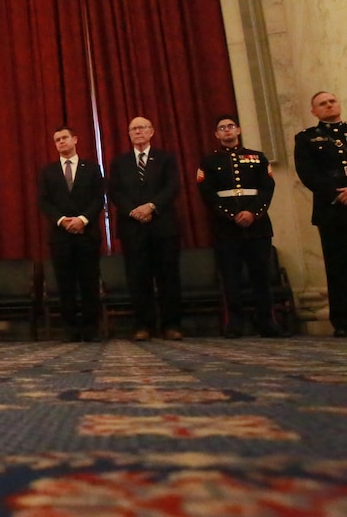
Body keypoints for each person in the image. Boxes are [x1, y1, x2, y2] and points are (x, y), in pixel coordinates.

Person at [196, 115, 285, 338]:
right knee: (230, 277)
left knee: (261, 275)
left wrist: (252, 213)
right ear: (216, 134)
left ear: (238, 130)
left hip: (257, 226)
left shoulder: (257, 157)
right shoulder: (209, 162)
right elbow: (208, 194)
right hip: (227, 227)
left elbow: (267, 188)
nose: (227, 131)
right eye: (221, 128)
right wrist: (232, 214)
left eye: (230, 127)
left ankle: (266, 321)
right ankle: (235, 323)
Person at [108, 117, 184, 341]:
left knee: (168, 277)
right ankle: (143, 325)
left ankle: (171, 325)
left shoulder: (165, 158)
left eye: (142, 128)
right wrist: (134, 210)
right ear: (129, 134)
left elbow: (172, 187)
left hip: (163, 226)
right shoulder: (119, 162)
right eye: (133, 129)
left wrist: (151, 206)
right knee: (137, 278)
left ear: (151, 132)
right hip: (133, 228)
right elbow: (115, 192)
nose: (138, 132)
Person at [37, 127, 105, 342]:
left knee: (89, 282)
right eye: (57, 140)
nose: (61, 142)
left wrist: (82, 220)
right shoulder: (48, 171)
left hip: (87, 233)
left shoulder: (92, 168)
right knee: (65, 283)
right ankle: (70, 329)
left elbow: (98, 198)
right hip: (61, 235)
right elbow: (44, 201)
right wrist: (62, 221)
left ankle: (90, 329)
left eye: (65, 138)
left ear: (75, 139)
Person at [294, 91, 347, 337]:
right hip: (333, 209)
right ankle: (343, 320)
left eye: (331, 101)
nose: (328, 105)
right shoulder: (307, 139)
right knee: (338, 267)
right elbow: (308, 174)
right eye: (322, 104)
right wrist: (338, 194)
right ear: (314, 112)